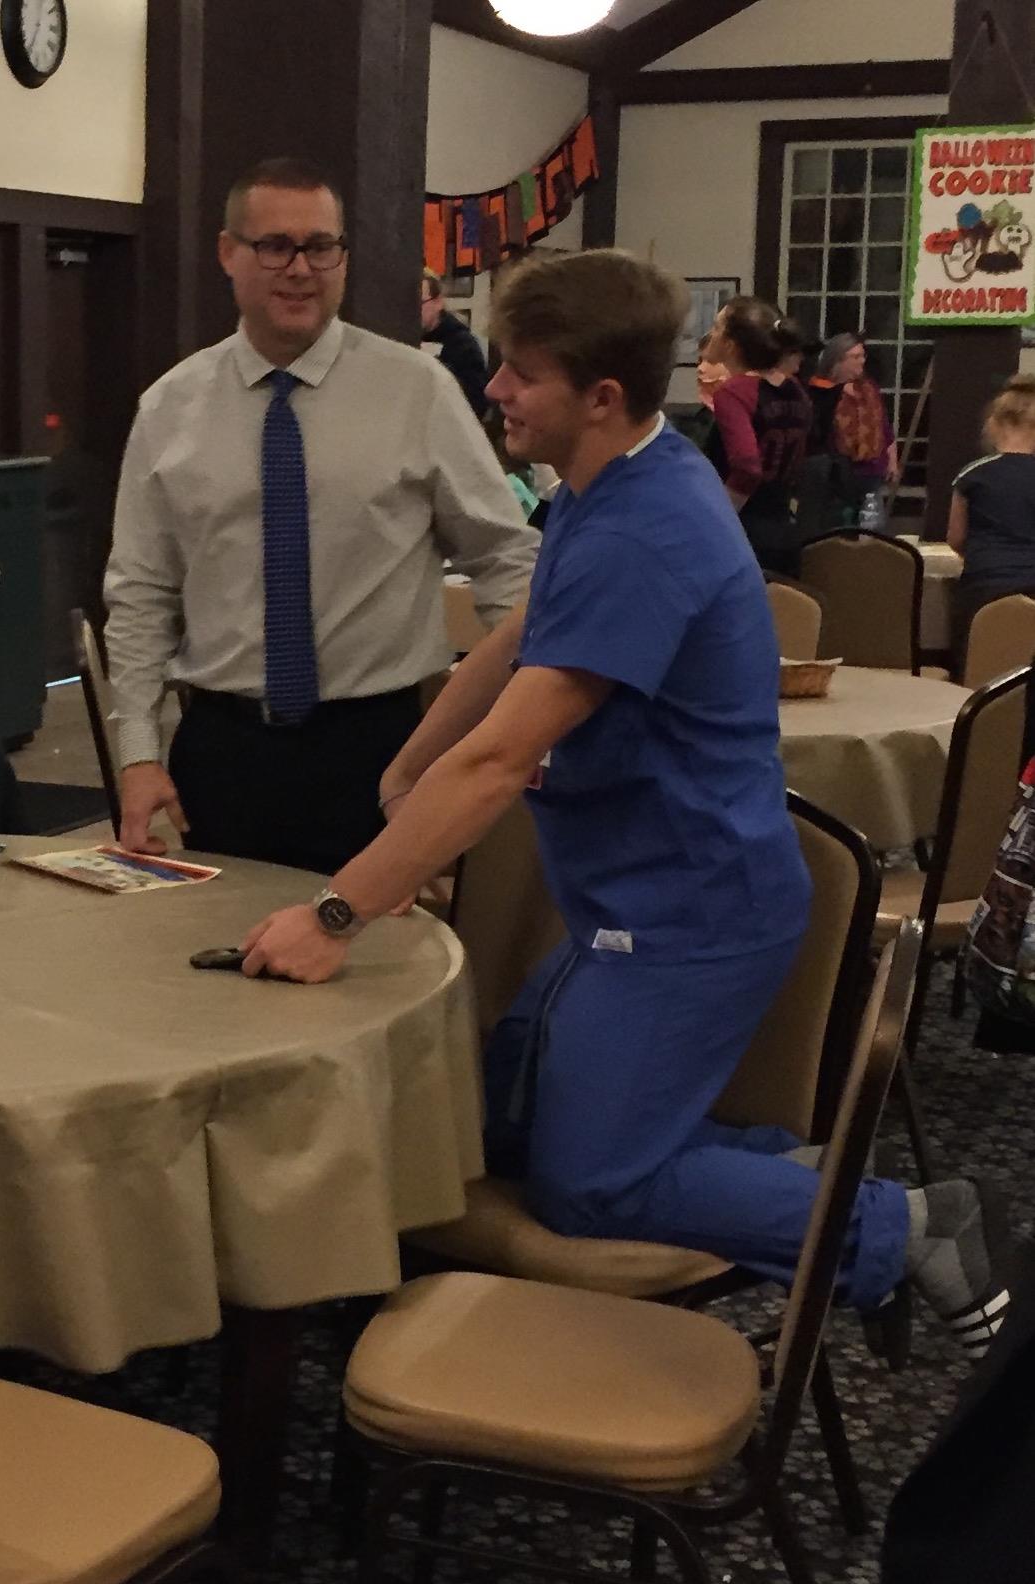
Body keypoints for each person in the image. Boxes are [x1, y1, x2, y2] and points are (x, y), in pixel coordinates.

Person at [238, 247, 1010, 1360]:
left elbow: (503, 761)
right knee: (499, 1126)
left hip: (694, 918)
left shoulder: (647, 529)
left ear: (601, 397)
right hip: (627, 907)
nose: (497, 389)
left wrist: (335, 914)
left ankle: (909, 1225)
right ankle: (800, 1176)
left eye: (522, 372)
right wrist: (407, 774)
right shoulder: (611, 484)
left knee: (589, 1186)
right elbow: (521, 633)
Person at [104, 157, 537, 875]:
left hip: (382, 750)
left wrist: (530, 715)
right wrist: (139, 755)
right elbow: (141, 593)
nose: (300, 269)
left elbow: (503, 559)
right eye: (275, 246)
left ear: (344, 256)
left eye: (321, 246)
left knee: (383, 941)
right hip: (225, 750)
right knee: (220, 941)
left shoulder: (417, 391)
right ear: (228, 253)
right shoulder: (170, 409)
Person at [704, 297, 812, 575]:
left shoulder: (735, 392)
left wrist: (718, 519)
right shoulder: (795, 389)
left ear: (730, 345)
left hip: (745, 534)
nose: (710, 334)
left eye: (716, 327)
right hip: (785, 529)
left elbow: (747, 467)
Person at [948, 373, 1035, 671]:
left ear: (995, 424)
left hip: (983, 589)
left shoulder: (971, 475)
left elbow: (956, 538)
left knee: (974, 668)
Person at [808, 332, 898, 522]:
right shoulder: (821, 391)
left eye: (863, 356)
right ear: (838, 361)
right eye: (855, 357)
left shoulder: (868, 387)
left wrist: (892, 459)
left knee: (871, 527)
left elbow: (883, 425)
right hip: (836, 473)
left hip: (872, 471)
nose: (862, 361)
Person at [420, 269, 490, 419]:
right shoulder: (401, 336)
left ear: (438, 302)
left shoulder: (463, 345)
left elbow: (477, 403)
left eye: (419, 303)